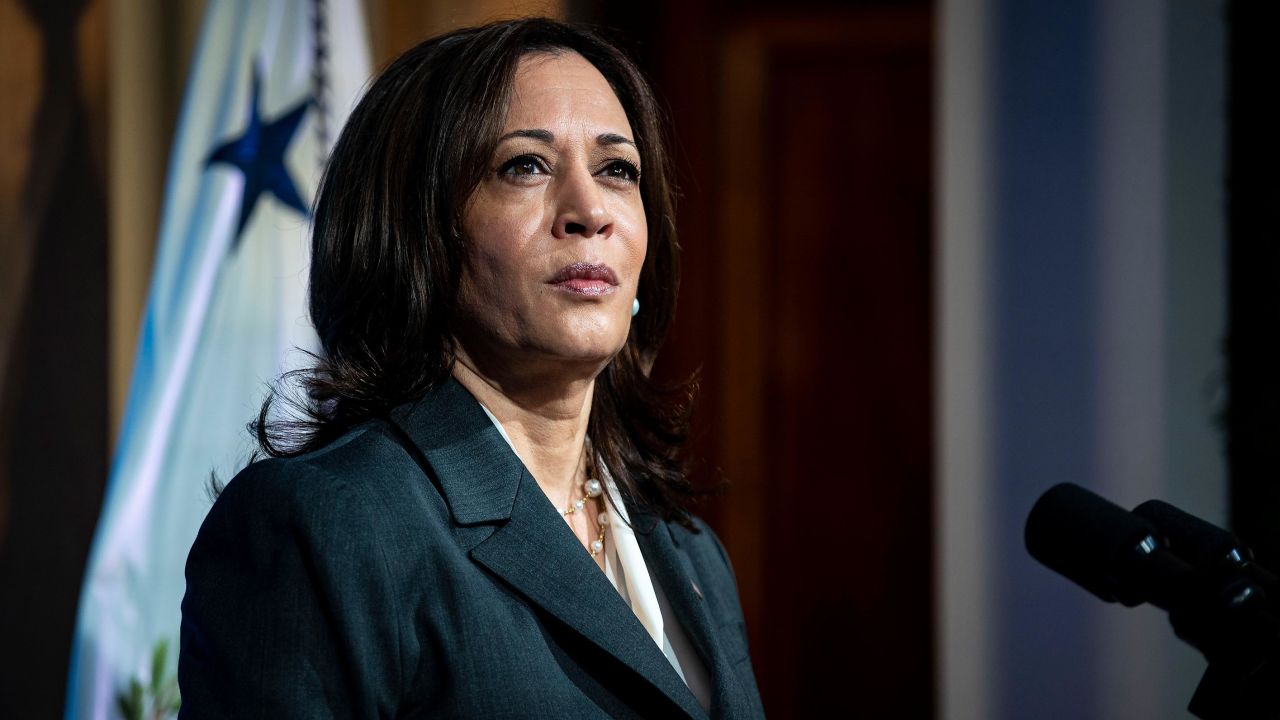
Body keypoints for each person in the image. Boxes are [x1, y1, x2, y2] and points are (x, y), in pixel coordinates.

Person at [178, 17, 765, 719]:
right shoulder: (329, 525)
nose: (589, 211)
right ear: (417, 230)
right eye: (526, 166)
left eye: (618, 169)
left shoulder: (689, 551)